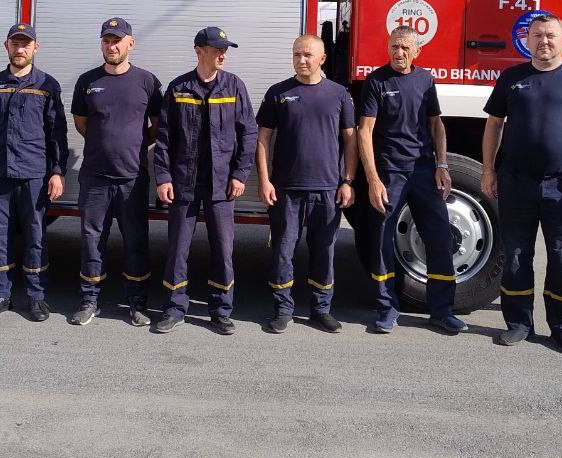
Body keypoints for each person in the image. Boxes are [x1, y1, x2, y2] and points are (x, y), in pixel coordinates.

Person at [481, 12, 562, 355]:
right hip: (516, 182)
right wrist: (489, 171)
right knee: (516, 255)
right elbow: (494, 125)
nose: (544, 41)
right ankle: (519, 324)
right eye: (537, 35)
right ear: (527, 40)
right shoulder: (511, 78)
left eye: (550, 35)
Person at [357, 26, 464, 336]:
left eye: (405, 47)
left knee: (440, 238)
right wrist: (373, 180)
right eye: (394, 46)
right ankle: (386, 309)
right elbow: (365, 131)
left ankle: (441, 312)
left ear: (417, 51)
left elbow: (436, 125)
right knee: (381, 239)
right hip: (389, 173)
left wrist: (442, 165)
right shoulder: (376, 81)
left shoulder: (425, 80)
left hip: (424, 171)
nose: (399, 52)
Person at [152, 27, 258, 336]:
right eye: (216, 49)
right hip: (184, 183)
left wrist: (240, 174)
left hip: (222, 185)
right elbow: (164, 139)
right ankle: (174, 308)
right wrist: (163, 177)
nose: (223, 54)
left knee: (223, 249)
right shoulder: (179, 88)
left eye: (225, 49)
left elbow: (248, 133)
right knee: (177, 249)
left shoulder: (234, 86)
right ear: (199, 51)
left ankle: (221, 310)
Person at [0, 22, 68, 323]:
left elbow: (57, 133)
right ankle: (1, 295)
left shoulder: (46, 85)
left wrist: (57, 171)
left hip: (34, 174)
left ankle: (36, 297)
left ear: (35, 48)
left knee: (35, 235)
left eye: (26, 44)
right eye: (15, 43)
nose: (20, 49)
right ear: (6, 46)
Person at [255, 34, 357, 334]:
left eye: (308, 55)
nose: (301, 60)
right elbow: (262, 139)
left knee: (324, 251)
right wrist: (265, 180)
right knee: (283, 250)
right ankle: (282, 309)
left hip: (327, 188)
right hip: (286, 189)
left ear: (322, 59)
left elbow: (351, 139)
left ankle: (321, 309)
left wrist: (348, 181)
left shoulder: (339, 94)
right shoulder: (278, 93)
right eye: (297, 54)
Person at [67, 18, 162, 327]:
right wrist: (104, 143)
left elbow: (157, 125)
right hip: (95, 177)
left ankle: (137, 303)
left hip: (132, 178)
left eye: (117, 40)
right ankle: (89, 300)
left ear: (130, 43)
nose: (111, 46)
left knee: (135, 242)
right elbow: (81, 123)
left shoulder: (147, 81)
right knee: (92, 240)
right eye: (107, 40)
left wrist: (135, 144)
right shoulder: (87, 81)